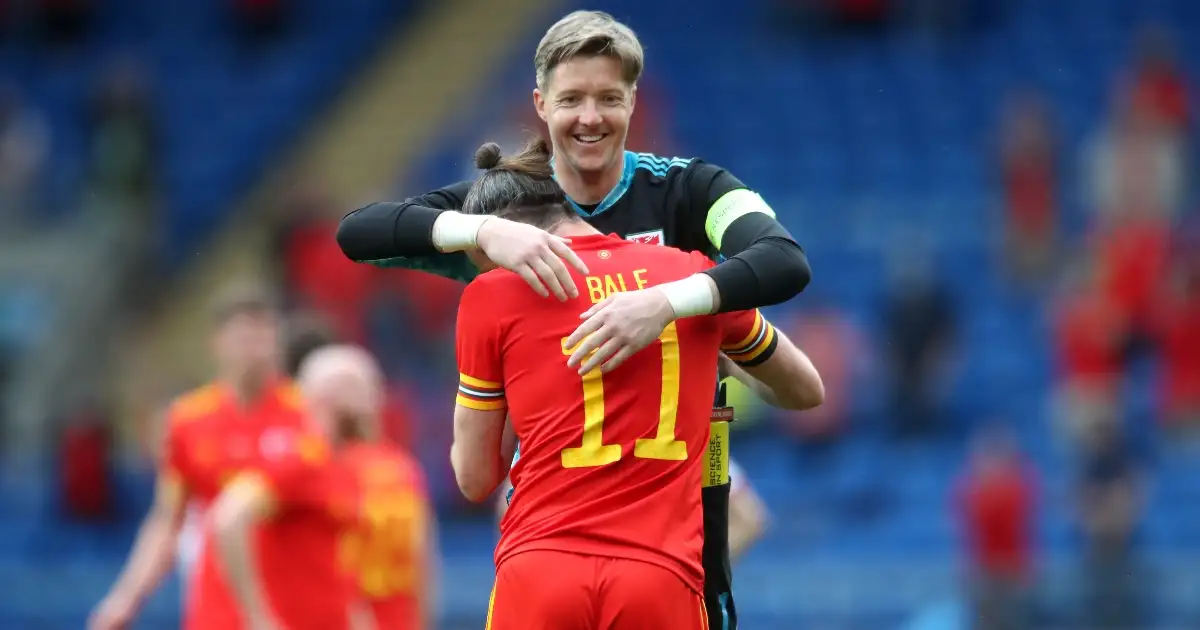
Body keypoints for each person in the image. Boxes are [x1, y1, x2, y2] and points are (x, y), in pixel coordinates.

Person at [337, 12, 812, 626]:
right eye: (571, 100)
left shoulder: (692, 191)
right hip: (564, 528)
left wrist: (666, 303)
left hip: (686, 517)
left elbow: (784, 260)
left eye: (609, 98)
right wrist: (484, 231)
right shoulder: (505, 207)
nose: (590, 117)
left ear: (633, 101)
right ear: (540, 104)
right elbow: (356, 232)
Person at [449, 142, 822, 629]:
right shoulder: (691, 275)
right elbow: (805, 390)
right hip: (660, 577)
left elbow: (475, 478)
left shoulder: (492, 294)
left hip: (540, 569)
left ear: (493, 242)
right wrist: (716, 359)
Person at [89, 288, 308, 630]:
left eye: (261, 335)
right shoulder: (188, 420)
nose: (251, 348)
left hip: (294, 603)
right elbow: (167, 521)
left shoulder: (307, 413)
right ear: (217, 342)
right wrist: (125, 598)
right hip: (217, 606)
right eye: (242, 336)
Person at [210, 344, 437, 630]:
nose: (371, 398)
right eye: (356, 386)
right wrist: (258, 618)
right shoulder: (300, 458)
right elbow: (229, 517)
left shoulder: (367, 465)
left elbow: (341, 568)